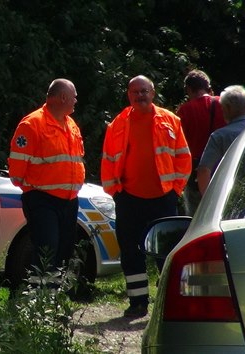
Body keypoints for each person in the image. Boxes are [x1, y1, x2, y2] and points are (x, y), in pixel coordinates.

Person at [101, 75, 191, 318]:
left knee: (166, 253)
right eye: (135, 92)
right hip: (129, 198)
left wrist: (176, 190)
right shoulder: (117, 125)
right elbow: (108, 160)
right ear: (129, 95)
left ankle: (169, 304)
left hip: (163, 198)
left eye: (144, 91)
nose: (140, 96)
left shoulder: (170, 121)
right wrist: (116, 192)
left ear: (153, 92)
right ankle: (138, 303)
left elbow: (184, 157)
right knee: (131, 252)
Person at [8, 78, 85, 286]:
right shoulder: (32, 124)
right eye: (74, 96)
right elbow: (16, 171)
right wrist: (34, 189)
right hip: (42, 199)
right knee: (46, 250)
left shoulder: (70, 125)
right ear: (63, 97)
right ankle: (38, 303)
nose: (76, 100)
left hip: (69, 200)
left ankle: (51, 303)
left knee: (64, 251)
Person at [176, 69, 226, 216]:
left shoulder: (184, 111)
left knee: (196, 215)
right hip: (222, 165)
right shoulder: (223, 103)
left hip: (195, 171)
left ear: (189, 89)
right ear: (208, 87)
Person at [197, 85, 245, 195]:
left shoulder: (219, 136)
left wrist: (208, 201)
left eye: (222, 108)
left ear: (228, 108)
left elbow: (203, 171)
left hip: (227, 197)